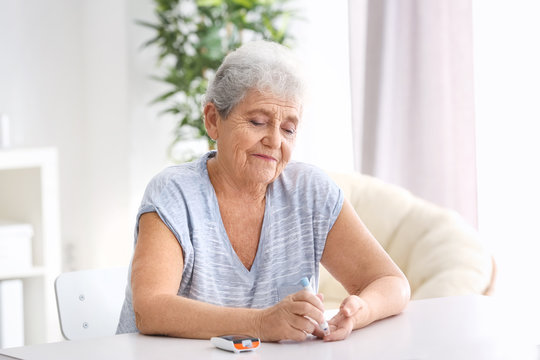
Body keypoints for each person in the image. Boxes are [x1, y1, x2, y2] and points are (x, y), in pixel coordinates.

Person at [117, 40, 410, 342]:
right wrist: (259, 324)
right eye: (258, 122)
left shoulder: (311, 193)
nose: (274, 140)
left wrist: (358, 311)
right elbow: (150, 309)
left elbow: (391, 283)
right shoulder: (174, 193)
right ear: (213, 120)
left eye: (288, 129)